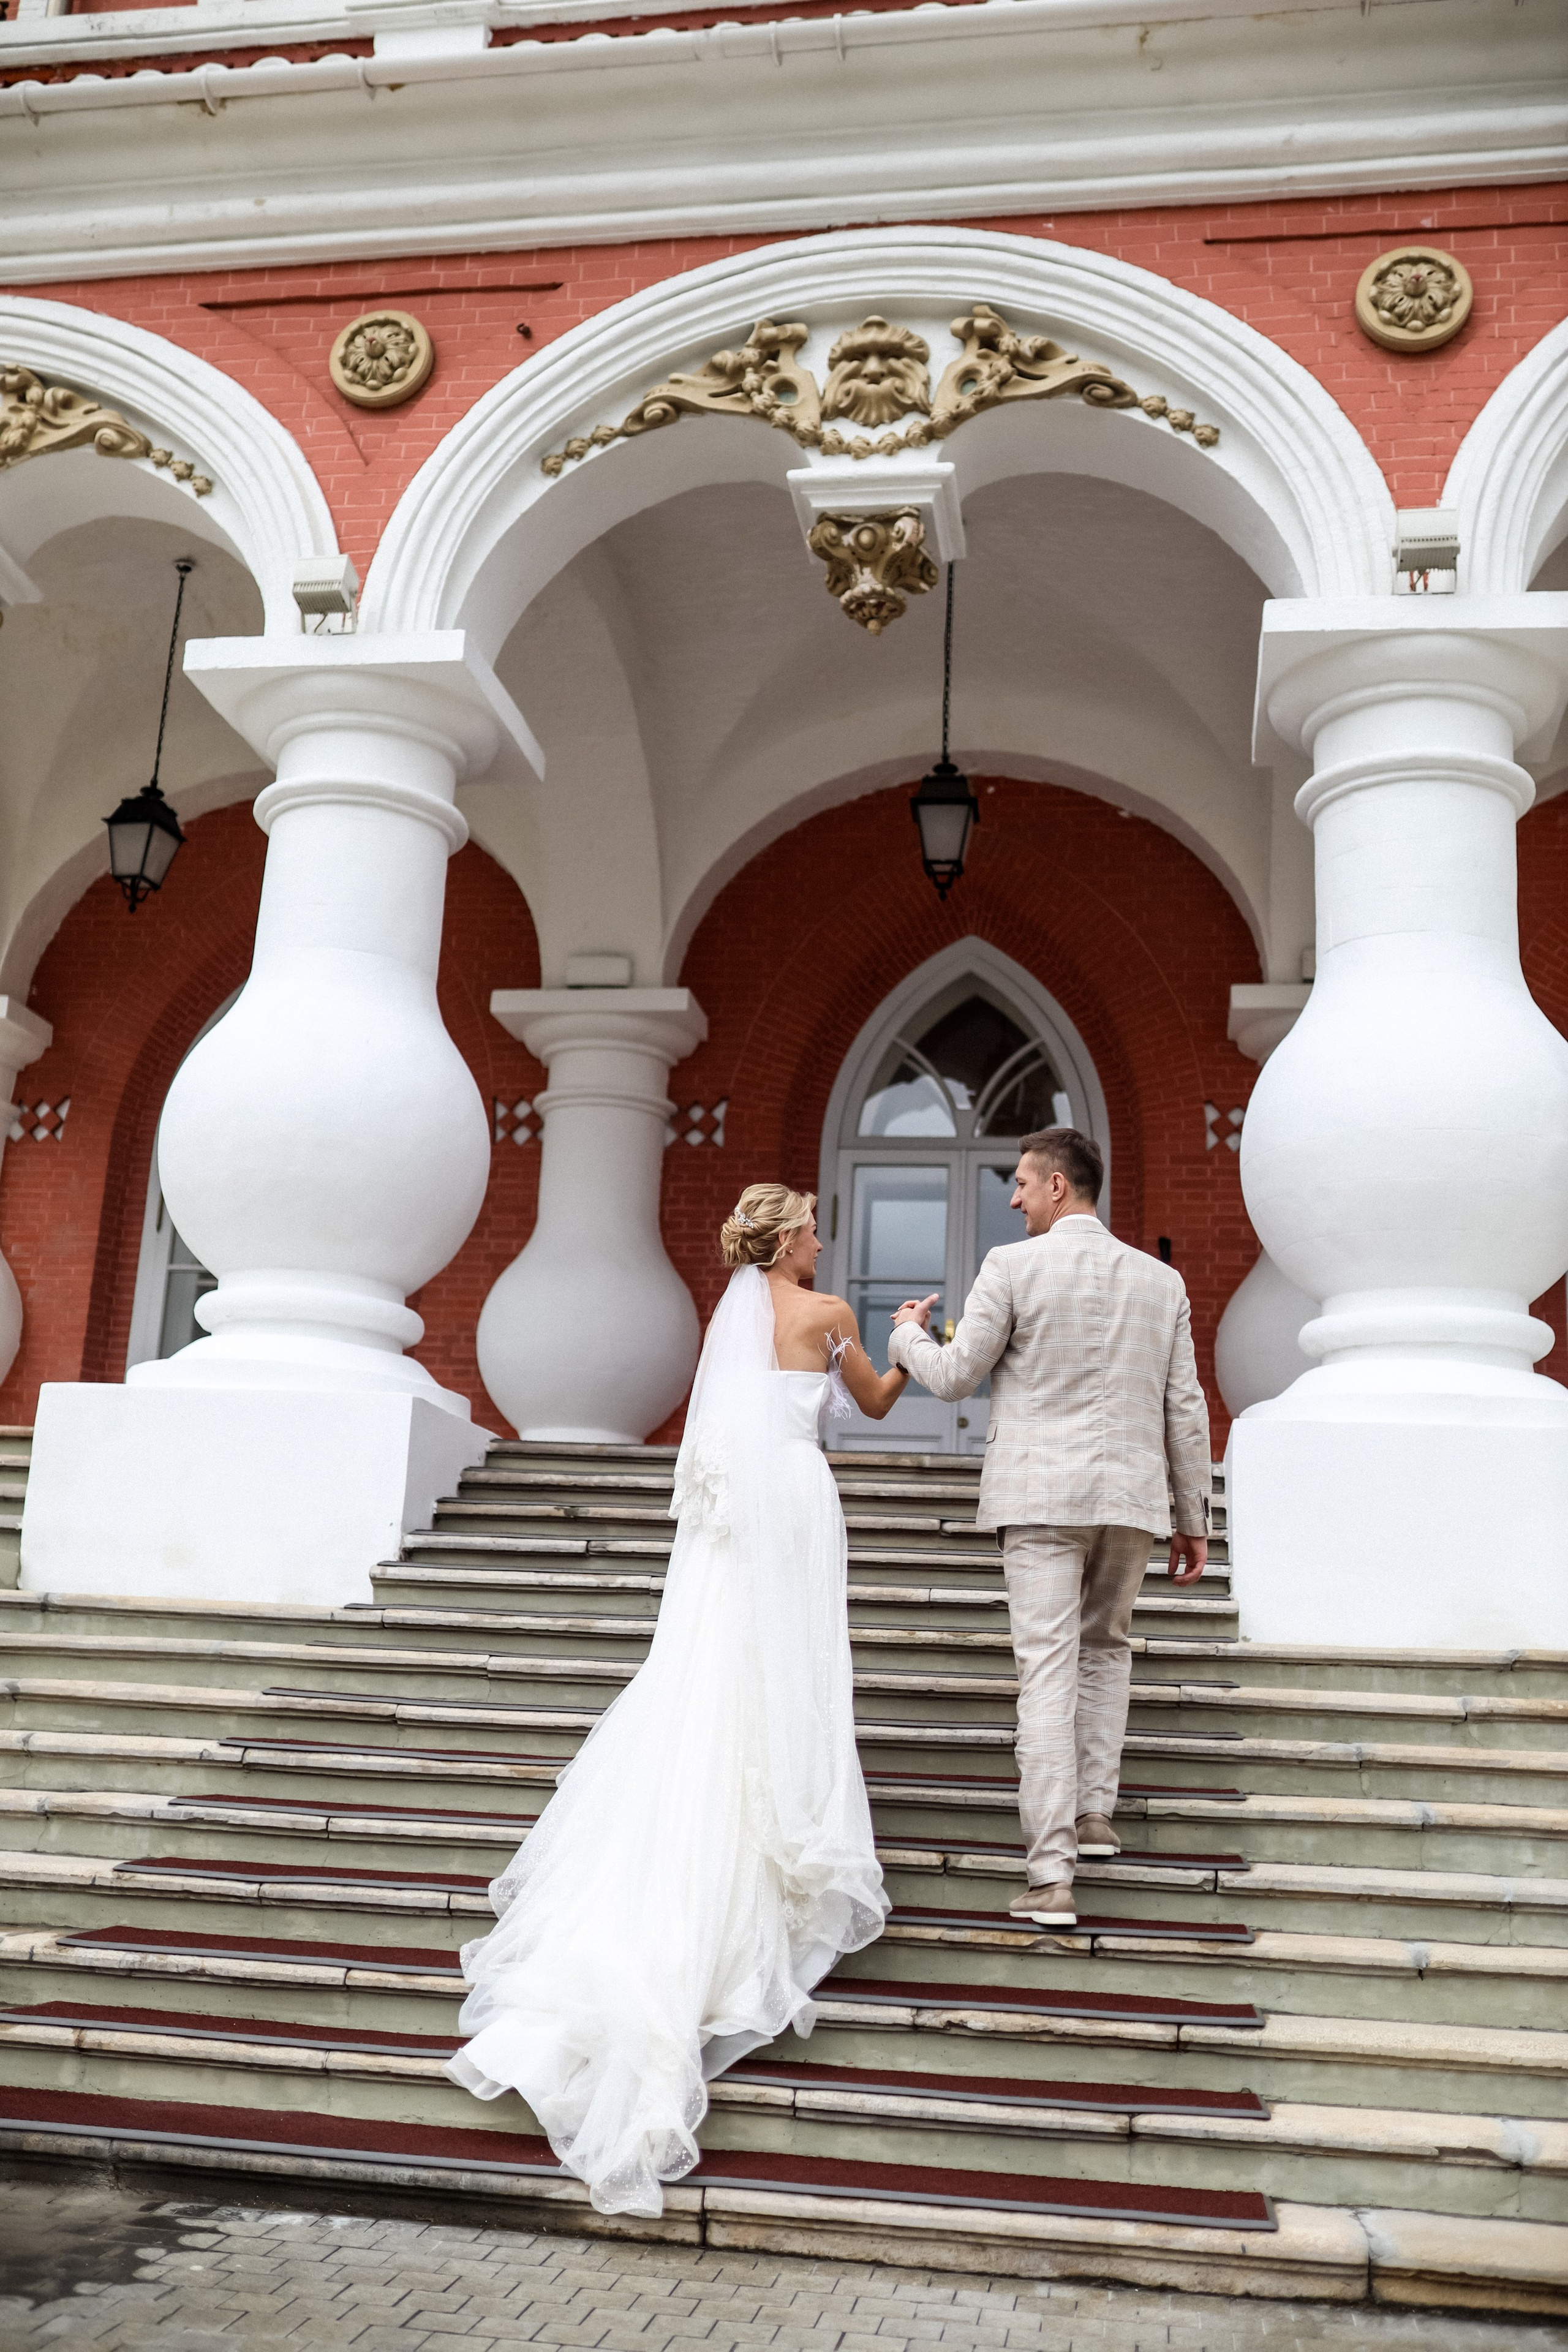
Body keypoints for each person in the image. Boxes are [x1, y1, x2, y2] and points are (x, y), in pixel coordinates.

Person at [446, 1183, 903, 2216]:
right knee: (790, 1664)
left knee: (718, 1664)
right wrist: (914, 1339)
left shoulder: (732, 1326)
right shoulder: (829, 1314)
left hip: (732, 1524)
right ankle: (782, 1827)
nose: (822, 1239)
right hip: (796, 1505)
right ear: (787, 1240)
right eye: (814, 1228)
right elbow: (876, 1402)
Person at [887, 1127, 1211, 1930]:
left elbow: (956, 1377)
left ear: (1059, 1186)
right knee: (1105, 1650)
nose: (1013, 1198)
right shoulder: (1161, 1281)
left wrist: (905, 1336)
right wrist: (1193, 1516)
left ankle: (1051, 1873)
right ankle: (1095, 1814)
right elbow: (1185, 1405)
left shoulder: (1011, 1266)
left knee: (1047, 1674)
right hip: (1131, 1499)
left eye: (1023, 1183)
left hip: (1039, 1498)